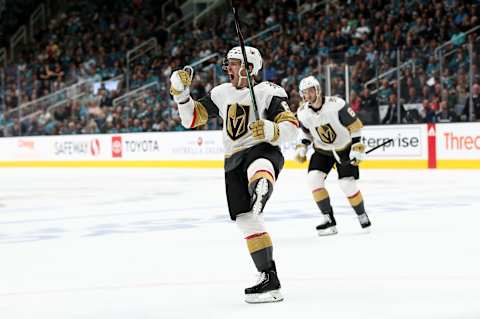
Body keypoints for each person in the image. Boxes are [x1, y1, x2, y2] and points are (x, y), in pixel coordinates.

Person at [169, 46, 298, 303]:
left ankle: (261, 184)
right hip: (232, 161)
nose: (229, 68)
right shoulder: (220, 93)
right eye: (228, 64)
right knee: (246, 220)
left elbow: (291, 126)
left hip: (261, 148)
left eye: (235, 63)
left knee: (258, 164)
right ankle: (269, 280)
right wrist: (182, 96)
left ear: (250, 68)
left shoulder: (268, 91)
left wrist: (271, 129)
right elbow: (192, 119)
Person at [294, 76, 371, 236]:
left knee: (347, 185)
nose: (308, 95)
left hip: (344, 148)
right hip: (323, 151)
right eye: (305, 92)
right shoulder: (302, 113)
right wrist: (302, 147)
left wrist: (357, 146)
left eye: (311, 90)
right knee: (313, 179)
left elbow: (355, 125)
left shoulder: (337, 105)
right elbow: (306, 133)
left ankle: (361, 214)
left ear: (318, 90)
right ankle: (328, 219)